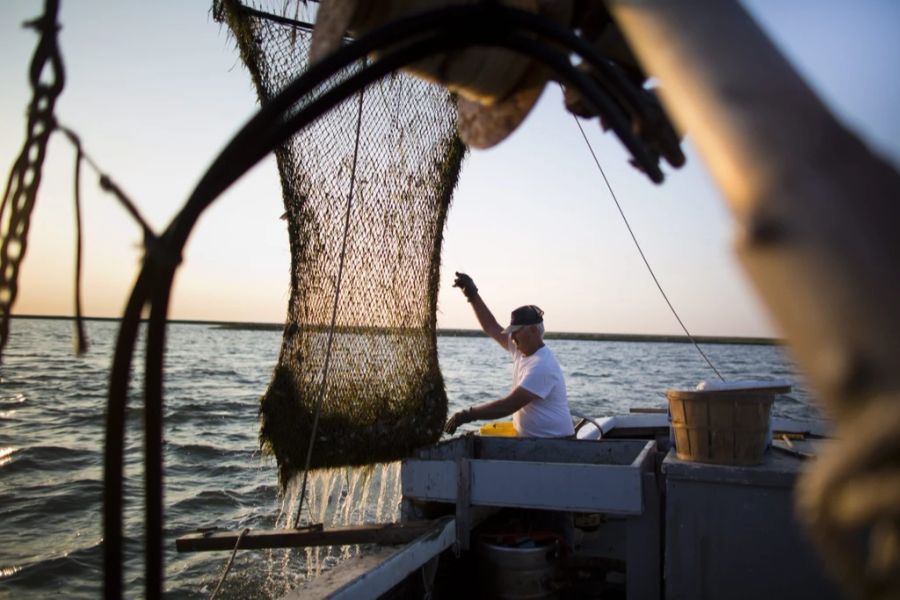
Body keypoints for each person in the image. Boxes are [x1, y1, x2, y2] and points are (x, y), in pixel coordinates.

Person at [444, 272, 574, 438]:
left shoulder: (542, 365)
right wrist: (472, 295)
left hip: (556, 444)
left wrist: (467, 414)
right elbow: (491, 326)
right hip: (531, 441)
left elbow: (509, 405)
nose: (512, 337)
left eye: (516, 332)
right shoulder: (520, 349)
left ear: (533, 331)